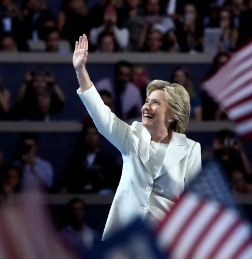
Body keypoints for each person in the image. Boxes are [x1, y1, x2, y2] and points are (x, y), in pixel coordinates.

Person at [73, 34, 202, 240]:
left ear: (172, 115)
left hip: (163, 244)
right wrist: (81, 70)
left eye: (155, 103)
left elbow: (195, 203)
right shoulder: (133, 136)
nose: (146, 107)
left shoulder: (190, 149)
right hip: (125, 240)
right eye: (146, 101)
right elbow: (101, 114)